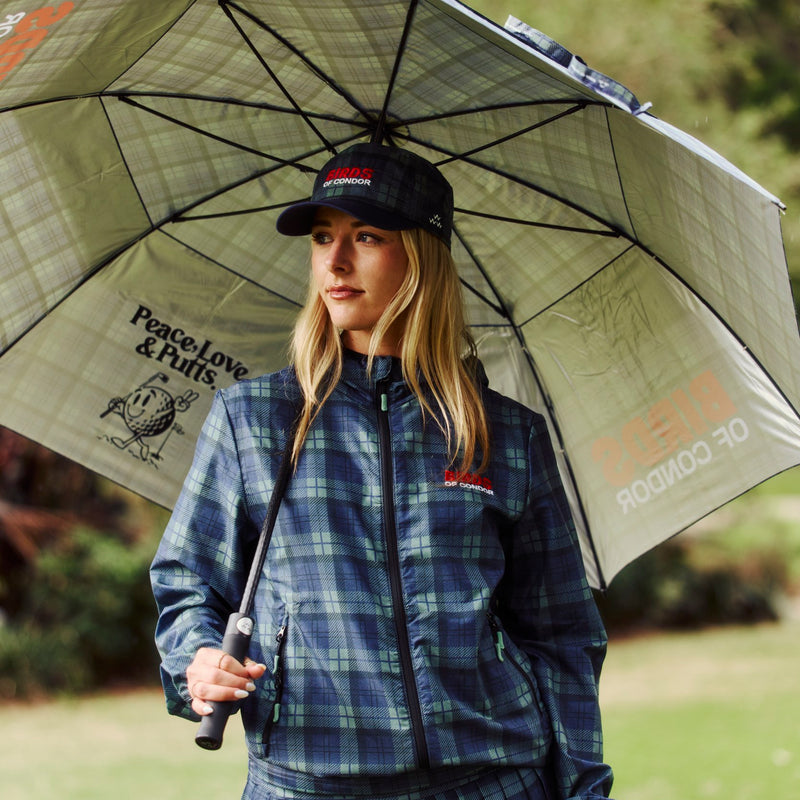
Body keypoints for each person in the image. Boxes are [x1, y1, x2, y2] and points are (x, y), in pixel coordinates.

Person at [150, 143, 614, 800]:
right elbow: (187, 585)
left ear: (422, 256)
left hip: (492, 780)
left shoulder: (505, 434)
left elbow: (562, 635)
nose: (335, 262)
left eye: (366, 236)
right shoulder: (255, 420)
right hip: (306, 782)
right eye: (322, 237)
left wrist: (583, 786)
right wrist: (197, 659)